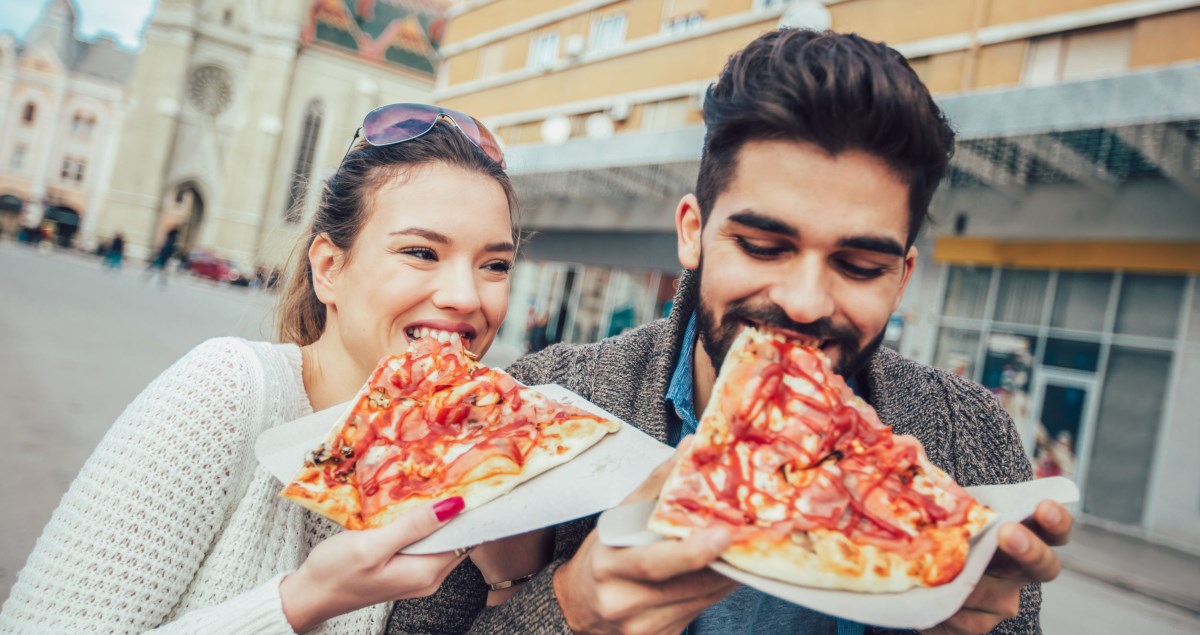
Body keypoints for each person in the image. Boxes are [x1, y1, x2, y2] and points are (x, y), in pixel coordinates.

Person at [436, 29, 1074, 634]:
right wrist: (570, 608)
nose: (803, 303)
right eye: (765, 246)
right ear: (692, 232)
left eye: (858, 265)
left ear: (902, 278)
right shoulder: (541, 401)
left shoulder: (971, 435)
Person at [0, 106, 545, 633]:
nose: (465, 297)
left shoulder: (470, 453)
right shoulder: (229, 391)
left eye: (494, 265)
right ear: (329, 268)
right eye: (422, 253)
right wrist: (302, 601)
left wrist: (510, 574)